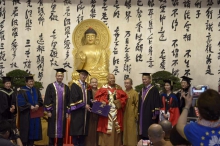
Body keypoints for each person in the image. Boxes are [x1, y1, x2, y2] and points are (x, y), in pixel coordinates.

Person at [95, 74, 128, 146]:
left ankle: (116, 143)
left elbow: (124, 98)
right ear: (107, 79)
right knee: (106, 128)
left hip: (116, 111)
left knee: (116, 129)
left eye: (113, 78)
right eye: (110, 78)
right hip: (106, 112)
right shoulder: (103, 88)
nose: (112, 80)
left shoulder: (118, 88)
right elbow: (97, 99)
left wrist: (118, 102)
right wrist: (104, 102)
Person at [44, 68, 70, 146]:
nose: (60, 77)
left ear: (63, 77)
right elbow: (47, 99)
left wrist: (67, 111)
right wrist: (48, 111)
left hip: (62, 113)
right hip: (53, 113)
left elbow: (68, 100)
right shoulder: (50, 86)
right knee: (52, 131)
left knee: (61, 132)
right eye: (58, 76)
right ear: (55, 76)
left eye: (61, 76)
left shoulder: (66, 87)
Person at [17, 75, 43, 146]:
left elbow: (40, 100)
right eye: (30, 81)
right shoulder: (21, 90)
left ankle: (31, 144)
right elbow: (20, 102)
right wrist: (29, 106)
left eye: (32, 81)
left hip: (35, 114)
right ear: (26, 82)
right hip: (26, 115)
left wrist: (37, 104)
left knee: (33, 133)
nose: (31, 83)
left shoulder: (36, 90)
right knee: (26, 133)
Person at [69, 69, 92, 146]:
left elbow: (89, 97)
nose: (84, 76)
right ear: (79, 75)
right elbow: (74, 97)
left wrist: (91, 101)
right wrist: (83, 105)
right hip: (77, 111)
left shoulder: (87, 86)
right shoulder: (75, 85)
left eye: (85, 75)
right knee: (76, 129)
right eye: (82, 74)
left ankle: (81, 144)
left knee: (83, 129)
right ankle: (75, 144)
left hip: (85, 112)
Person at [138, 73, 160, 140]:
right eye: (143, 79)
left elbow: (157, 101)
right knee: (143, 126)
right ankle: (144, 138)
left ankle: (149, 139)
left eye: (145, 79)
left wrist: (155, 113)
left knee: (149, 126)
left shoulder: (154, 89)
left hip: (150, 112)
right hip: (142, 112)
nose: (144, 81)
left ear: (150, 79)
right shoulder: (142, 90)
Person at [123, 78, 138, 146]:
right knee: (125, 129)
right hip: (124, 114)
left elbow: (137, 105)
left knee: (131, 130)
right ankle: (125, 143)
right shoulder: (123, 92)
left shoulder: (134, 93)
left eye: (128, 83)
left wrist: (136, 115)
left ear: (131, 84)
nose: (126, 84)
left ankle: (132, 144)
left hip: (131, 114)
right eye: (125, 83)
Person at [85, 78, 99, 146]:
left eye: (95, 82)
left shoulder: (100, 91)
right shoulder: (88, 91)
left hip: (98, 113)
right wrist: (91, 102)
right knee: (90, 128)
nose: (94, 84)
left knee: (97, 128)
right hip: (90, 112)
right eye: (93, 82)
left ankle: (96, 143)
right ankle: (89, 143)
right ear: (90, 83)